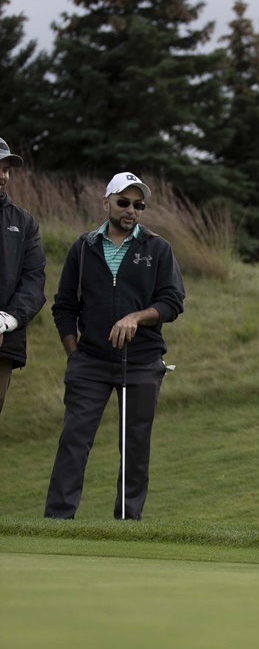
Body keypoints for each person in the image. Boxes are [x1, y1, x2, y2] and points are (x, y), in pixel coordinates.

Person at [44, 172, 185, 520]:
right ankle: (57, 521)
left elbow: (172, 302)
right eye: (123, 202)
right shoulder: (83, 247)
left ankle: (126, 523)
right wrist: (74, 355)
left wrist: (136, 317)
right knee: (74, 441)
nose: (131, 210)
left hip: (141, 361)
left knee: (134, 446)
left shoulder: (157, 248)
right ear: (106, 202)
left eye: (139, 205)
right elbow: (64, 306)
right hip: (89, 361)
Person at [0, 138, 46, 414]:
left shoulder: (24, 223)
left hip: (4, 340)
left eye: (6, 170)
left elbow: (34, 280)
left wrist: (6, 320)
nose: (2, 176)